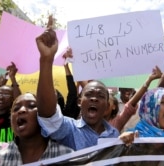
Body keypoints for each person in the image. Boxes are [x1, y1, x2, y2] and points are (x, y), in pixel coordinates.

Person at [35, 16, 137, 151]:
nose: (94, 98)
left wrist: (121, 143)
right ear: (79, 101)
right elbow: (48, 116)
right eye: (89, 94)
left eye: (100, 96)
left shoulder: (114, 134)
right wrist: (46, 60)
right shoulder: (69, 129)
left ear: (107, 105)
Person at [0, 93, 74, 165]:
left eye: (31, 106)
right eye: (16, 108)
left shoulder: (66, 155)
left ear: (43, 116)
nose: (21, 110)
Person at [106, 66, 163, 132]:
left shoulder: (141, 106)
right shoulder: (113, 106)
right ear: (120, 90)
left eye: (130, 89)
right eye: (124, 88)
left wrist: (150, 80)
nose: (127, 90)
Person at [0, 62, 21, 144]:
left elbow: (18, 100)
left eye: (6, 94)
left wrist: (13, 79)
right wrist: (5, 78)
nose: (1, 97)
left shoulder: (12, 119)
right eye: (0, 94)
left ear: (12, 100)